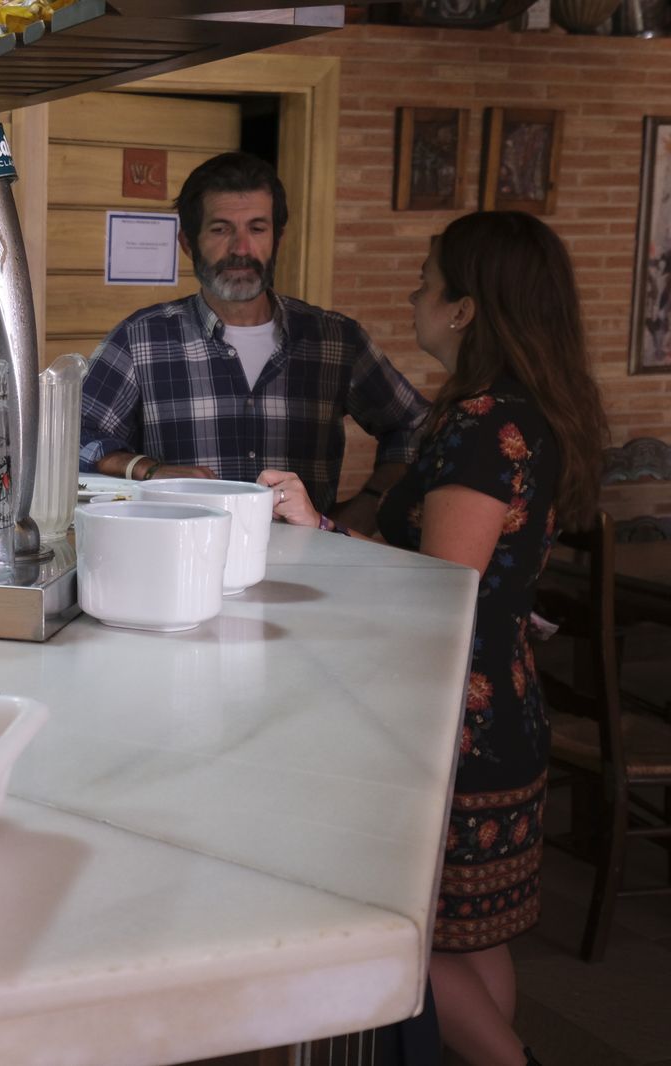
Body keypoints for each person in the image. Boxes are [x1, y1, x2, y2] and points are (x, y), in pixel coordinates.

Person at [261, 211, 608, 1066]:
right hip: (503, 707)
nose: (413, 295)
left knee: (411, 938)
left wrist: (313, 525)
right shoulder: (528, 412)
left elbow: (442, 586)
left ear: (464, 309)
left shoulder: (484, 425)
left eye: (425, 279)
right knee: (475, 939)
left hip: (450, 719)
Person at [80, 152, 427, 530]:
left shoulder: (335, 340)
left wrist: (368, 506)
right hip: (180, 568)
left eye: (257, 228)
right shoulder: (141, 338)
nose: (241, 249)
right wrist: (150, 470)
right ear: (187, 243)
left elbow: (415, 426)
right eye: (221, 229)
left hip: (309, 571)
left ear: (279, 238)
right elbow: (71, 440)